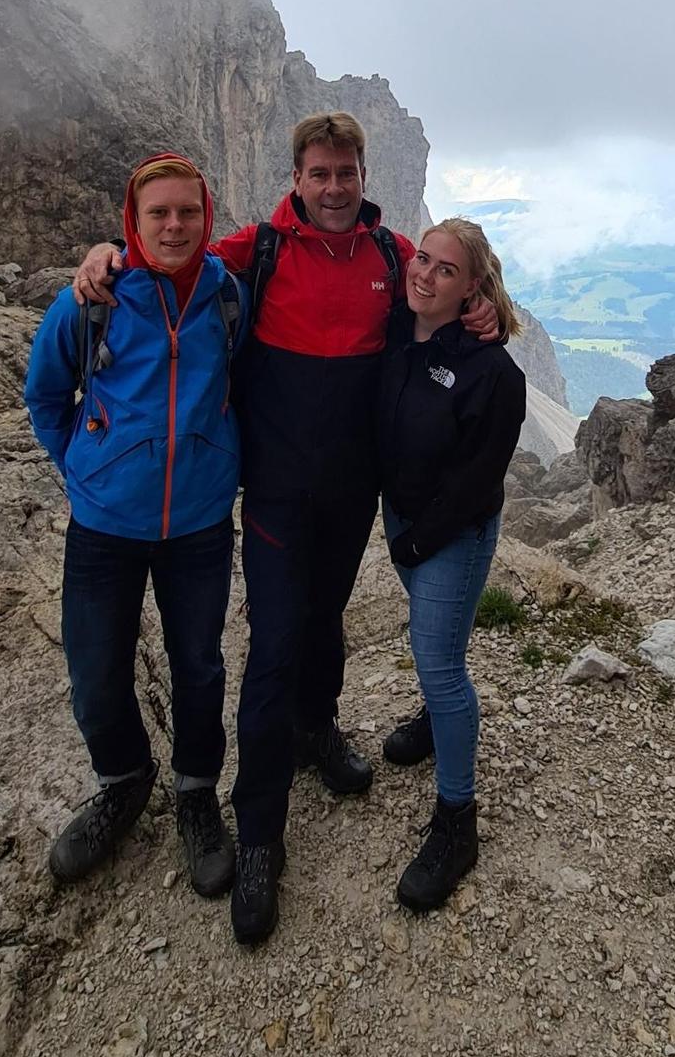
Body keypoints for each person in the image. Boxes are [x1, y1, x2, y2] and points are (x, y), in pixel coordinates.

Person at [73, 113, 499, 944]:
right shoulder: (257, 251)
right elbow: (171, 258)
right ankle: (261, 835)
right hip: (273, 495)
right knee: (272, 647)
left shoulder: (393, 259)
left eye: (346, 172)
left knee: (324, 619)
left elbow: (445, 297)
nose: (334, 187)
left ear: (364, 175)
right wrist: (106, 254)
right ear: (296, 178)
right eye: (319, 173)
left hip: (351, 493)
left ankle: (316, 727)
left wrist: (482, 311)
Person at [25, 153, 247, 897]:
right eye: (159, 213)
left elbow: (241, 382)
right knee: (95, 669)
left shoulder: (228, 297)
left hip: (199, 522)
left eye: (188, 211)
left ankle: (196, 794)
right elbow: (45, 394)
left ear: (205, 217)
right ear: (134, 221)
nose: (174, 225)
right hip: (104, 524)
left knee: (199, 666)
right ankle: (122, 781)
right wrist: (86, 466)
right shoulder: (93, 299)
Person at [377, 218, 526, 910]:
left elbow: (476, 481)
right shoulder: (395, 327)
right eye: (422, 259)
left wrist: (417, 541)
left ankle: (457, 821)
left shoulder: (493, 372)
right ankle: (438, 723)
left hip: (451, 533)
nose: (425, 275)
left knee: (439, 663)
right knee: (435, 645)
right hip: (403, 517)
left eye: (446, 270)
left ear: (472, 289)